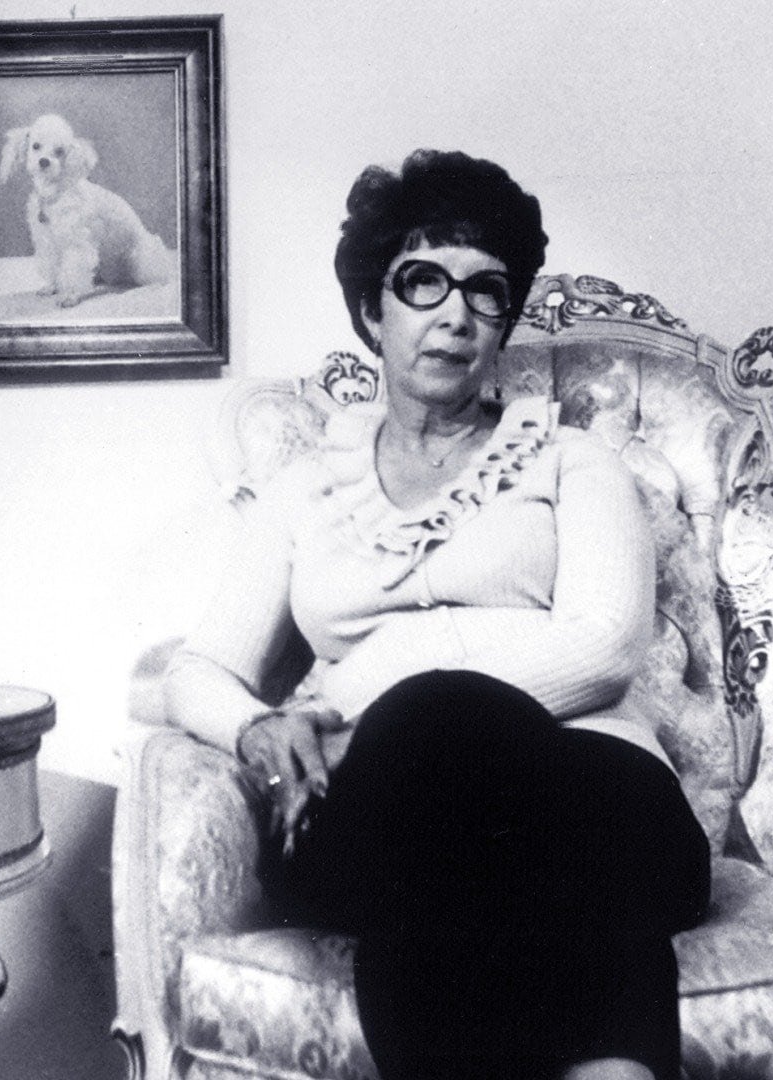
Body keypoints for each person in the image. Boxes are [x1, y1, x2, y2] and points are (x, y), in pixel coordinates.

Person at [164, 149, 711, 1080]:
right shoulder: (304, 489)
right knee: (440, 794)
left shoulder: (574, 462)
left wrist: (368, 716)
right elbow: (196, 669)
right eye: (423, 282)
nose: (455, 315)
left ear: (504, 323)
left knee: (446, 765)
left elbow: (605, 647)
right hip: (378, 809)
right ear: (372, 311)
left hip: (597, 796)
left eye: (486, 291)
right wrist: (258, 729)